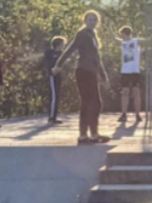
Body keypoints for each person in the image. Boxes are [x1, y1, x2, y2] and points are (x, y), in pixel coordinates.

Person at [56, 11, 109, 144]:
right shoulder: (82, 34)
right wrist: (59, 65)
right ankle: (89, 134)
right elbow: (70, 49)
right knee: (92, 102)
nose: (92, 22)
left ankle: (88, 134)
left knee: (91, 103)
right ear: (84, 21)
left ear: (97, 22)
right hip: (84, 71)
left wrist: (104, 76)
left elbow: (97, 59)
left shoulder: (92, 35)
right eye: (90, 20)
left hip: (91, 72)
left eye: (94, 20)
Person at [117, 27, 143, 126]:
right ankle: (124, 114)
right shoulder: (122, 42)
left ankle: (137, 114)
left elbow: (149, 40)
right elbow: (114, 39)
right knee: (125, 93)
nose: (121, 36)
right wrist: (110, 29)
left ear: (126, 34)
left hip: (135, 71)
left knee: (136, 92)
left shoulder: (136, 41)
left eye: (122, 34)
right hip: (125, 71)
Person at [43, 37, 65, 125]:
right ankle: (51, 117)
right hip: (52, 76)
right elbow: (47, 64)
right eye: (63, 44)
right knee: (54, 96)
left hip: (59, 76)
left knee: (57, 96)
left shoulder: (62, 54)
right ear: (58, 45)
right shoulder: (49, 53)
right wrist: (51, 71)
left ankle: (54, 116)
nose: (64, 46)